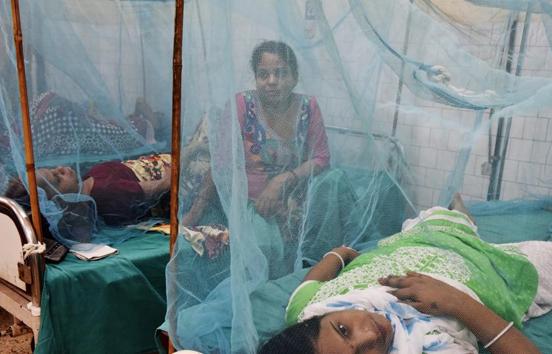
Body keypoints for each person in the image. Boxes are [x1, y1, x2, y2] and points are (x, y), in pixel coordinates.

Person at [259, 193, 552, 354]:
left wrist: (340, 255)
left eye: (343, 328)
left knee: (443, 219)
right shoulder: (430, 346)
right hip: (481, 273)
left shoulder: (306, 315)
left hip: (418, 245)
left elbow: (309, 284)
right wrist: (458, 303)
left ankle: (459, 211)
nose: (368, 332)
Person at [183, 41, 361, 260]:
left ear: (295, 78)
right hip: (253, 202)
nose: (272, 82)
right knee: (263, 249)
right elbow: (222, 165)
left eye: (281, 73)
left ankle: (331, 257)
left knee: (336, 179)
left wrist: (284, 180)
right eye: (263, 74)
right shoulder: (242, 104)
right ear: (256, 78)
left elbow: (322, 157)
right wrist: (195, 211)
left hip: (294, 194)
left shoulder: (308, 107)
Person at [5, 153, 172, 226]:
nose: (62, 168)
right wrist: (175, 168)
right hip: (169, 178)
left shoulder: (87, 180)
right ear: (59, 203)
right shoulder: (105, 192)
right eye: (58, 178)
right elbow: (161, 187)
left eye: (54, 169)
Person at [25, 91, 165, 159]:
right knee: (137, 110)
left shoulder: (143, 125)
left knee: (133, 112)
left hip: (109, 127)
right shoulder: (145, 126)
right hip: (125, 128)